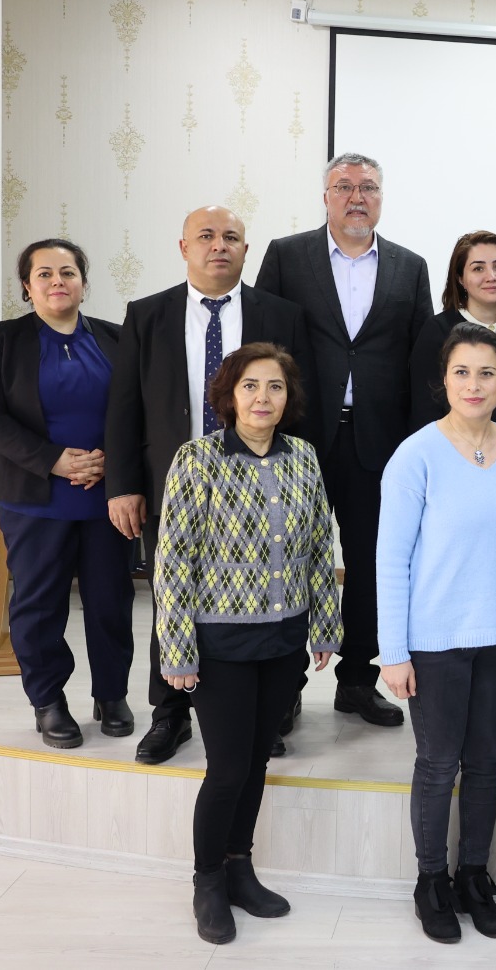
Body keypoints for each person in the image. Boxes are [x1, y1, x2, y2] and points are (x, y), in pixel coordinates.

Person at [106, 206, 314, 765]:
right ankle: (171, 713)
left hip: (261, 482)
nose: (218, 245)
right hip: (178, 483)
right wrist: (123, 484)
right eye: (206, 236)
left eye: (231, 237)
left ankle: (266, 712)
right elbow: (124, 405)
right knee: (173, 592)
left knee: (264, 593)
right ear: (184, 248)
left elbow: (297, 404)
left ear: (246, 249)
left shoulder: (280, 314)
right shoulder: (148, 314)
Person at [154, 342, 342, 946]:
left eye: (275, 387)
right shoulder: (197, 459)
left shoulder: (304, 457)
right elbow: (173, 560)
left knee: (257, 762)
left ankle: (240, 866)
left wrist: (325, 625)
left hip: (283, 640)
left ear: (289, 398)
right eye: (251, 386)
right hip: (220, 644)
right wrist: (177, 650)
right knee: (228, 768)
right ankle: (207, 879)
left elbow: (320, 547)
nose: (263, 398)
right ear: (229, 395)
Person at [254, 152, 433, 729]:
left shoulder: (410, 266)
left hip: (379, 442)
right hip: (300, 438)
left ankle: (356, 679)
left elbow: (422, 361)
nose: (358, 197)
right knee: (287, 560)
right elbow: (262, 344)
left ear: (382, 197)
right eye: (345, 186)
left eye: (369, 187)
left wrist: (418, 444)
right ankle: (284, 687)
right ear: (326, 196)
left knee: (371, 564)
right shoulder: (287, 256)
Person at [377, 325, 496, 943]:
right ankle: (431, 880)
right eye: (462, 372)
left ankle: (474, 874)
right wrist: (393, 652)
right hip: (434, 641)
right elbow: (391, 560)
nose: (475, 385)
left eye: (487, 373)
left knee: (487, 761)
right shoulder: (415, 455)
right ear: (444, 380)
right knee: (438, 763)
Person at [0, 238, 134, 749]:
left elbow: (137, 409)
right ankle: (48, 701)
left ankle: (112, 694)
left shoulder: (116, 337)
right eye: (44, 274)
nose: (57, 281)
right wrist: (54, 460)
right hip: (33, 496)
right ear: (27, 286)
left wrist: (108, 459)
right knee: (39, 604)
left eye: (67, 272)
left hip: (106, 496)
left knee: (111, 600)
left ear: (83, 282)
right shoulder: (3, 339)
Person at [408, 230, 496, 434]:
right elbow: (424, 409)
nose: (491, 276)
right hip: (455, 448)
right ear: (460, 278)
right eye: (478, 268)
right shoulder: (437, 330)